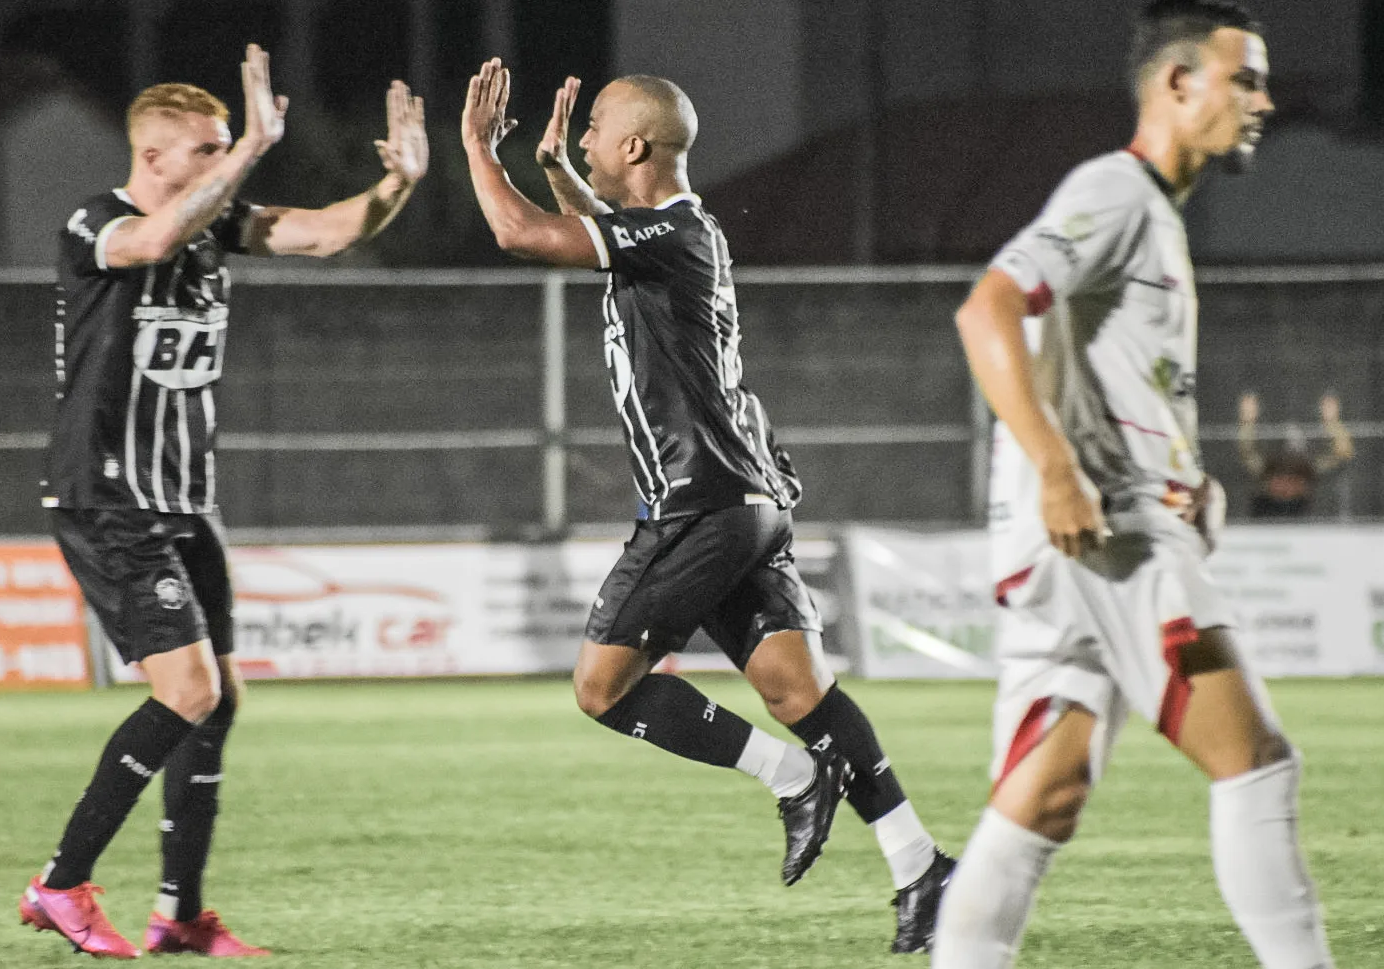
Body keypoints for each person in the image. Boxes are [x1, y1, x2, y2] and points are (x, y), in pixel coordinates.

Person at [460, 59, 953, 952]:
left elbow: (518, 236)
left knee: (600, 688)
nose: (582, 137)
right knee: (797, 687)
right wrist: (562, 174)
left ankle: (793, 779)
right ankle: (920, 864)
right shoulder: (682, 230)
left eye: (595, 128)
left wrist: (476, 151)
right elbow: (605, 230)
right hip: (745, 499)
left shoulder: (670, 232)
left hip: (699, 506)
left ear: (635, 145)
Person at [934, 3, 1336, 967]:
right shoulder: (1115, 191)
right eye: (1244, 78)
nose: (1262, 101)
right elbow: (988, 306)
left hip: (1086, 539)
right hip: (1105, 538)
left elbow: (1110, 376)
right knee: (1256, 766)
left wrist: (1187, 477)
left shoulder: (1148, 213)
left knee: (1044, 796)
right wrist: (1058, 468)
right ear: (1176, 84)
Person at [22, 44, 428, 959]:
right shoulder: (97, 221)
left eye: (222, 147)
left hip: (185, 498)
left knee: (221, 699)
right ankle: (59, 884)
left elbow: (328, 232)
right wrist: (250, 146)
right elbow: (151, 243)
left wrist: (396, 182)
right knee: (189, 689)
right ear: (154, 156)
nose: (221, 161)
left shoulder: (214, 226)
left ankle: (179, 913)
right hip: (109, 494)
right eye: (204, 150)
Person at [1238, 391, 1354, 517]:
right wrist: (1247, 421)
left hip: (1301, 512)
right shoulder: (1266, 469)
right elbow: (1247, 453)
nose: (1286, 486)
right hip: (1267, 514)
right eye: (1281, 480)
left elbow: (1342, 453)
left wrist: (1332, 422)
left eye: (1293, 480)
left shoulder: (1310, 468)